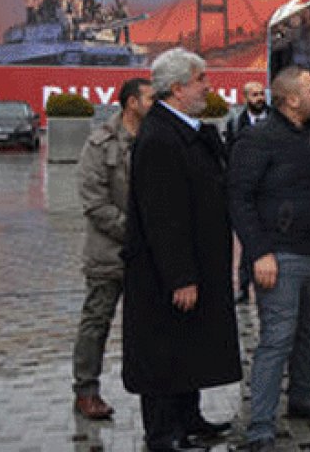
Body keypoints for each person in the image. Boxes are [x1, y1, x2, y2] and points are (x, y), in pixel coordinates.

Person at [122, 48, 240, 451]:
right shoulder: (158, 138)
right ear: (176, 88)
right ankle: (163, 434)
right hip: (168, 276)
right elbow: (163, 219)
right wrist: (181, 277)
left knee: (189, 346)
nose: (208, 86)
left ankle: (189, 418)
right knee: (163, 353)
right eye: (200, 79)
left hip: (198, 264)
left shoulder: (184, 130)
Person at [229, 67, 310, 452]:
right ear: (291, 100)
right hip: (280, 257)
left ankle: (301, 398)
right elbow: (239, 200)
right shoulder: (257, 139)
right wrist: (259, 252)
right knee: (277, 339)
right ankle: (260, 428)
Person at [72, 77, 153, 420]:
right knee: (96, 322)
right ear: (132, 103)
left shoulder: (154, 140)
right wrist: (134, 232)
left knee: (152, 326)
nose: (156, 104)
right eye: (150, 98)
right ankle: (86, 391)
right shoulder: (100, 143)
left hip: (148, 255)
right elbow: (94, 203)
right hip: (110, 253)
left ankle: (157, 392)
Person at [225, 80, 272, 304]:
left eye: (261, 94)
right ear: (246, 98)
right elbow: (229, 157)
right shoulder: (236, 124)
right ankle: (244, 287)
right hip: (247, 191)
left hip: (271, 190)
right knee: (247, 238)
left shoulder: (276, 121)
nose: (259, 98)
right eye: (254, 95)